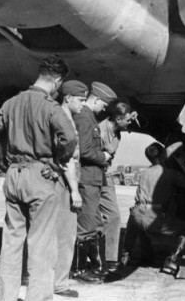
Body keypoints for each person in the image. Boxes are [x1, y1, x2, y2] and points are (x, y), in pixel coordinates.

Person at [0, 55, 77, 301]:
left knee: (11, 241)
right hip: (40, 175)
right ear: (57, 81)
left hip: (13, 176)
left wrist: (2, 162)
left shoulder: (11, 103)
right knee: (41, 243)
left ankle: (5, 297)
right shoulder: (50, 106)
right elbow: (70, 139)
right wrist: (57, 164)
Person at [119, 141, 185, 276]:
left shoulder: (144, 172)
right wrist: (181, 162)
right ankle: (172, 260)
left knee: (137, 223)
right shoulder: (168, 173)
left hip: (136, 214)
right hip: (152, 214)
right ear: (163, 156)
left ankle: (126, 257)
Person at [72, 81, 117, 282]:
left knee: (95, 222)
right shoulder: (84, 118)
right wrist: (104, 157)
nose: (104, 109)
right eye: (104, 105)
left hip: (93, 179)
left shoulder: (88, 117)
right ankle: (80, 269)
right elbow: (83, 150)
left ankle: (97, 266)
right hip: (87, 178)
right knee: (86, 224)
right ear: (96, 99)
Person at [53, 80, 88, 297]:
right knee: (66, 235)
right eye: (81, 100)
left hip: (54, 181)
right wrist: (75, 191)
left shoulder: (56, 116)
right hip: (64, 184)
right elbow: (68, 160)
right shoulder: (65, 120)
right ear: (68, 98)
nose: (83, 105)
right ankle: (59, 284)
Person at [97, 100, 137, 270]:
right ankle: (88, 260)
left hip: (105, 173)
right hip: (91, 173)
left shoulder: (118, 132)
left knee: (114, 216)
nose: (131, 124)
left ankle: (110, 259)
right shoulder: (99, 130)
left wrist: (132, 116)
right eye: (128, 120)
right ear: (118, 118)